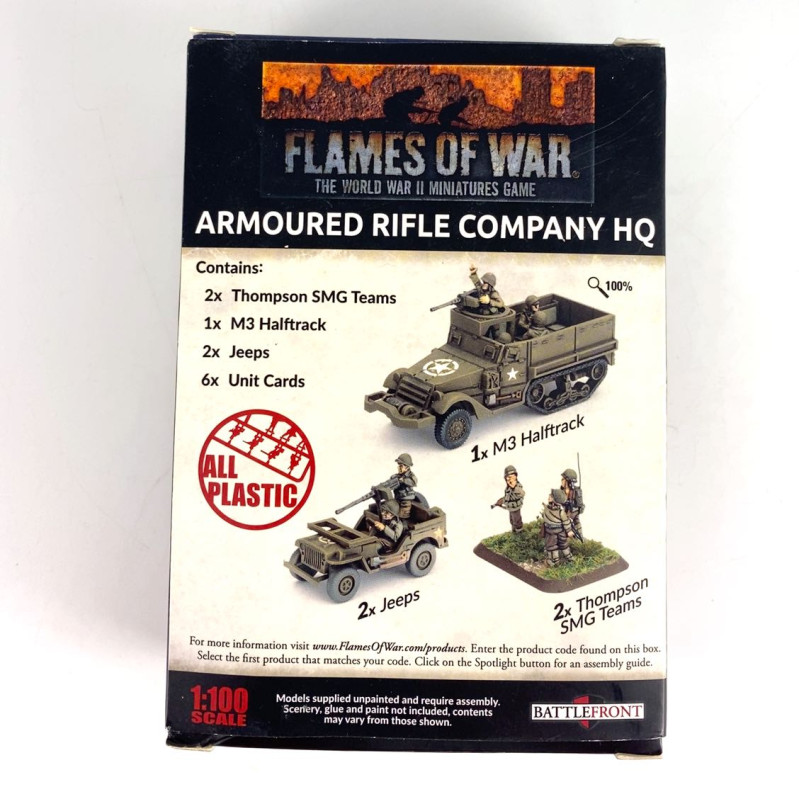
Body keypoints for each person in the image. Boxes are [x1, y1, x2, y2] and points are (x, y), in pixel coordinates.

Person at [541, 489, 575, 566]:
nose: (548, 497)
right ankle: (555, 561)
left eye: (551, 496)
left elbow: (566, 521)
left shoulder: (560, 512)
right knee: (552, 546)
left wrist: (569, 531)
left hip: (556, 531)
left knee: (562, 545)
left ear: (555, 500)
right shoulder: (548, 508)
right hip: (551, 531)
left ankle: (569, 558)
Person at [494, 465, 525, 534]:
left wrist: (514, 487)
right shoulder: (508, 488)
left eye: (511, 476)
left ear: (515, 477)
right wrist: (501, 501)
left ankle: (520, 534)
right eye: (507, 477)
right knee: (512, 521)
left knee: (517, 522)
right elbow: (508, 497)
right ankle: (514, 533)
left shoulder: (517, 486)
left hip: (515, 508)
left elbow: (522, 493)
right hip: (511, 508)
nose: (509, 479)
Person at [390, 453, 418, 519]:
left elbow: (414, 482)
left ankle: (404, 522)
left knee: (403, 515)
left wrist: (404, 480)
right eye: (398, 465)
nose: (399, 467)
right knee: (393, 511)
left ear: (407, 467)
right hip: (397, 498)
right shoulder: (396, 476)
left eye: (401, 466)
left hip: (406, 500)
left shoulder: (411, 476)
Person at [560, 468, 584, 540]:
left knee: (563, 515)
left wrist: (573, 508)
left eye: (563, 479)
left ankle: (570, 532)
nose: (561, 481)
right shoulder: (562, 490)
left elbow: (579, 504)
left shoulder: (576, 490)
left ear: (568, 481)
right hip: (567, 509)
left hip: (574, 510)